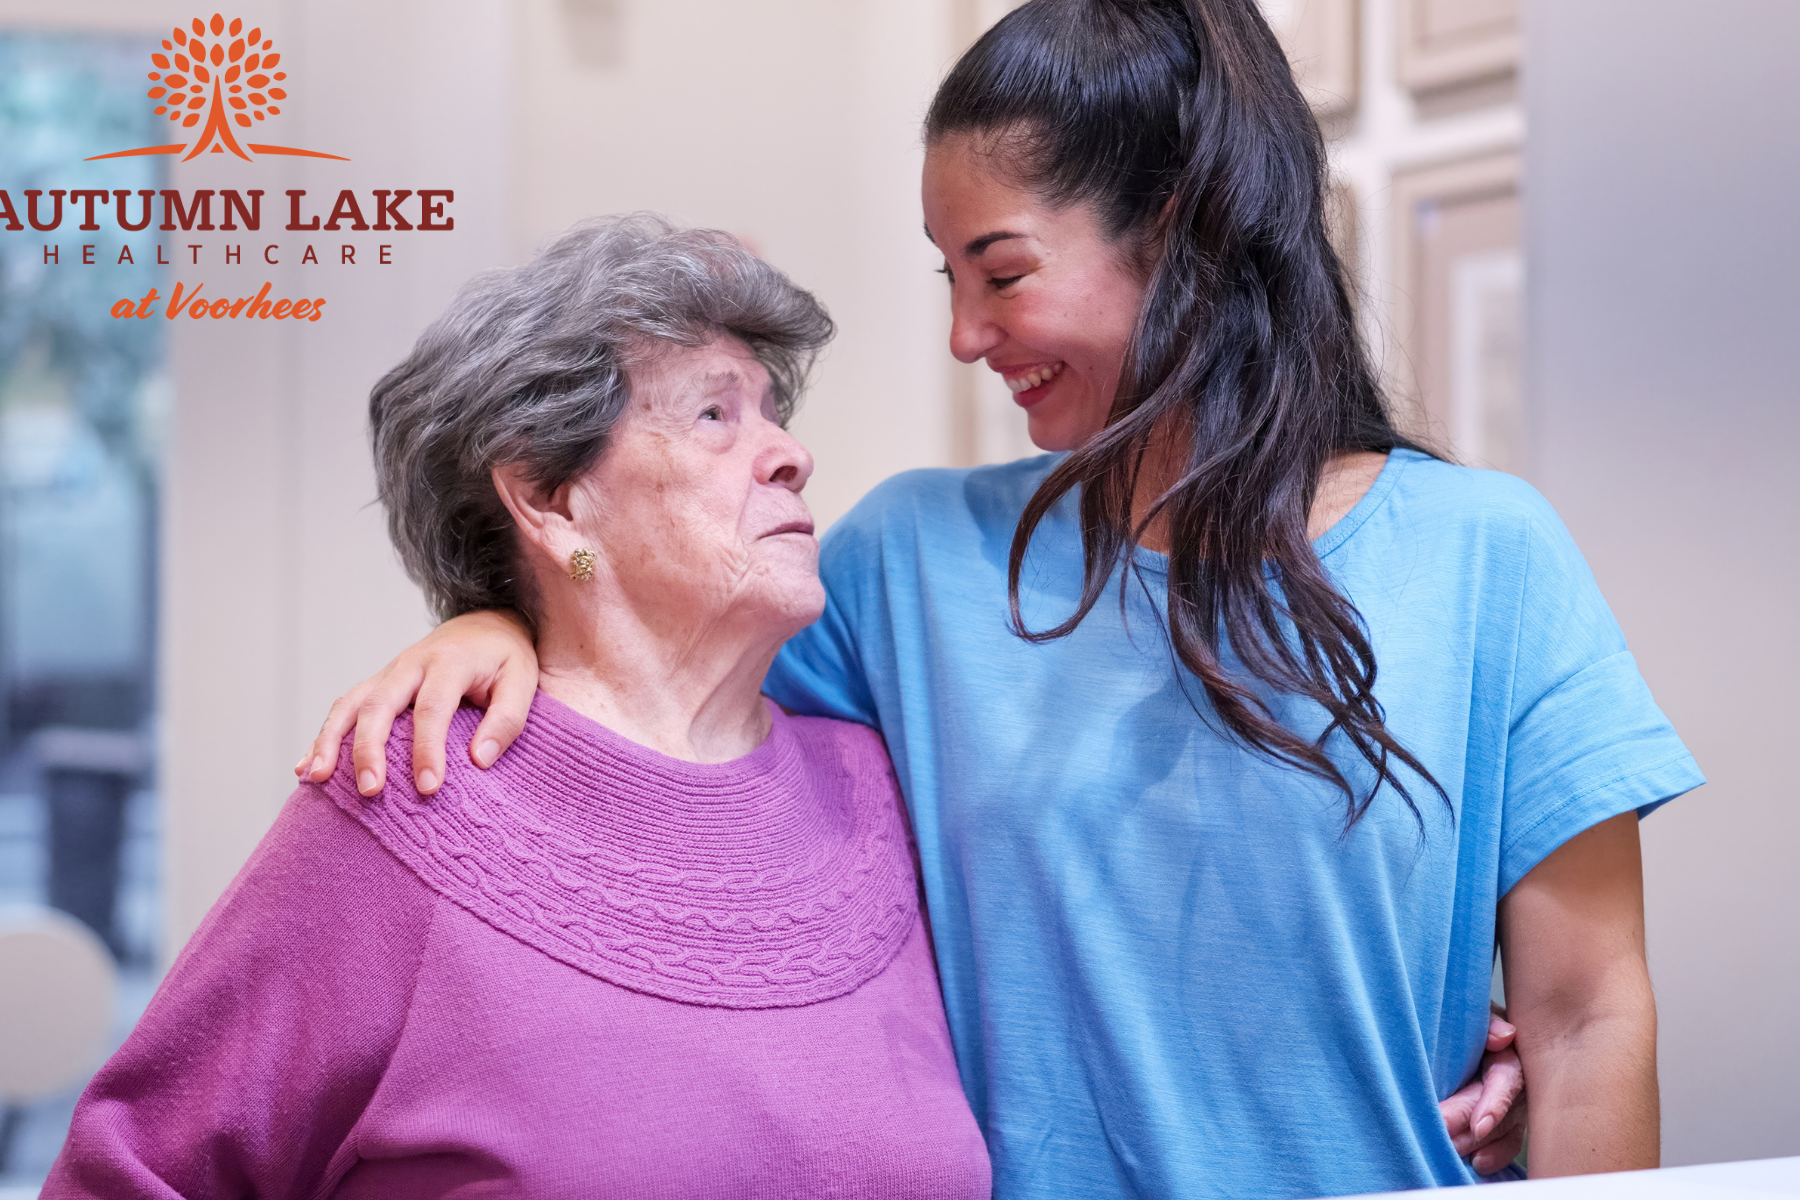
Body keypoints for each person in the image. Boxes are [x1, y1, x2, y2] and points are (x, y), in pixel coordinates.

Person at [305, 1, 1701, 1197]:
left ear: (1183, 230)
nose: (966, 337)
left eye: (1003, 274)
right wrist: (494, 617)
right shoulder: (905, 566)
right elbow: (654, 721)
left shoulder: (1489, 558)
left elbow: (1587, 1021)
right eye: (948, 280)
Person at [44, 217, 991, 1199]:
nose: (789, 454)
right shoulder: (406, 794)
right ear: (550, 498)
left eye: (772, 413)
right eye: (717, 416)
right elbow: (127, 1174)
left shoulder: (879, 788)